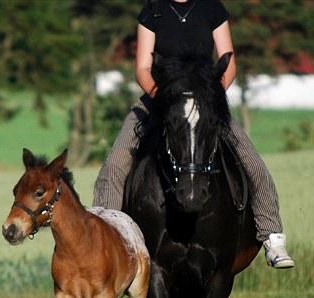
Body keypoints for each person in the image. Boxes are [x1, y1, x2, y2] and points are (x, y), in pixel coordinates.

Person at [93, 0, 294, 269]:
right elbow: (142, 68)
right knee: (116, 163)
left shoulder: (212, 8)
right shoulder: (153, 10)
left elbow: (229, 62)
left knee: (252, 161)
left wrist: (209, 96)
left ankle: (272, 236)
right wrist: (167, 98)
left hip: (204, 102)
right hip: (160, 99)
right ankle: (104, 246)